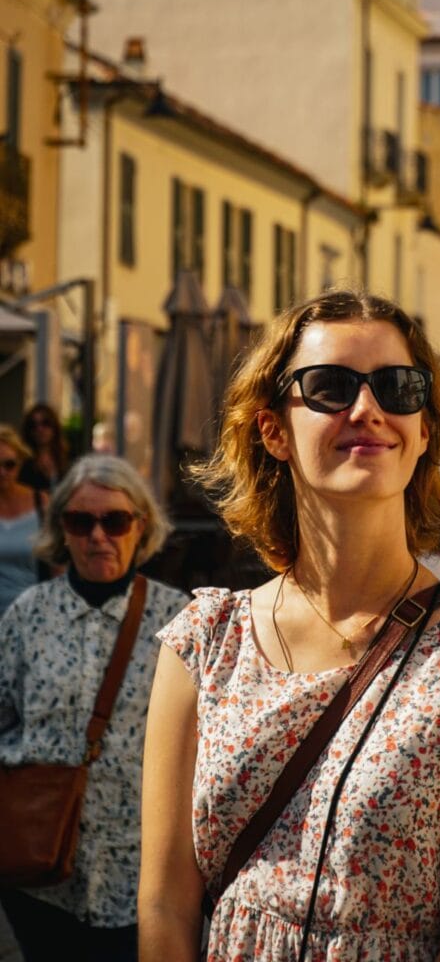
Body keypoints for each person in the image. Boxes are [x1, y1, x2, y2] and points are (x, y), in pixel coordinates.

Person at [138, 288, 440, 962]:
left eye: (398, 387)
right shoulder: (205, 640)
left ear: (422, 431)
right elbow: (162, 907)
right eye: (330, 386)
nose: (368, 409)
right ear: (273, 429)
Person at [0, 454, 190, 962]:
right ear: (62, 528)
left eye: (115, 520)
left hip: (142, 877)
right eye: (81, 522)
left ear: (141, 526)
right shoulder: (29, 616)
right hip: (40, 875)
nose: (98, 536)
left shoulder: (180, 620)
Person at [0, 425, 47, 615]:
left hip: (31, 616)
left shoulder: (41, 503)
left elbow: (58, 568)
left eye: (9, 464)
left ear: (20, 464)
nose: (2, 472)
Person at [19, 403, 70, 492]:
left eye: (46, 423)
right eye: (33, 425)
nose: (40, 429)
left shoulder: (66, 459)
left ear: (54, 427)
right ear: (28, 430)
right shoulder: (23, 461)